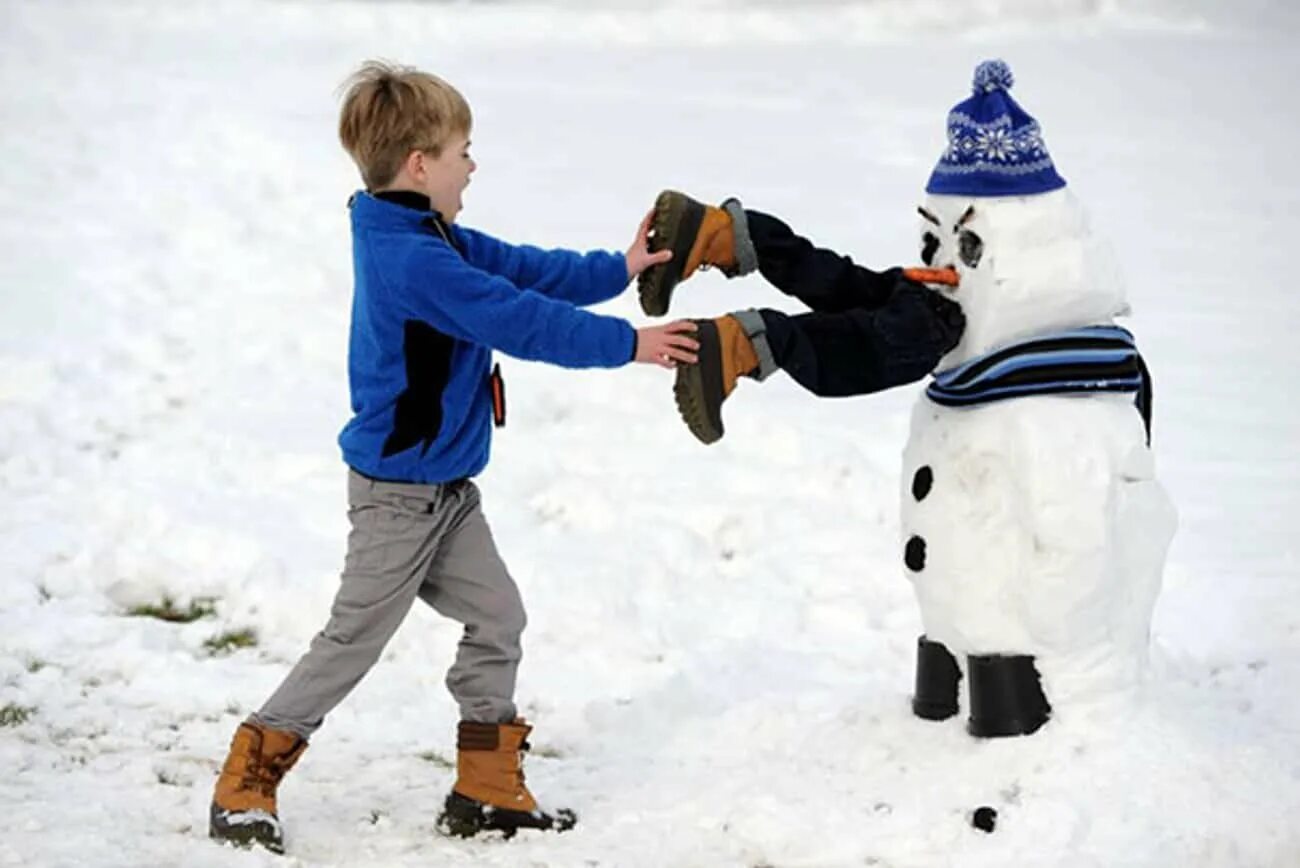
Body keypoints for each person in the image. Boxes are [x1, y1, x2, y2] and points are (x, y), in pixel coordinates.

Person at [208, 60, 698, 854]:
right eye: (464, 149)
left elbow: (522, 269)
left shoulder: (422, 232)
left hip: (445, 493)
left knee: (499, 615)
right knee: (353, 641)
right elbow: (517, 317)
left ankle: (486, 787)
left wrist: (619, 270)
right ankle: (249, 775)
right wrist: (630, 344)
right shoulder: (416, 261)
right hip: (398, 497)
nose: (473, 164)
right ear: (420, 164)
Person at [637, 191, 965, 443]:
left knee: (875, 298)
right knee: (913, 335)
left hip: (977, 209)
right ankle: (744, 342)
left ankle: (719, 234)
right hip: (999, 262)